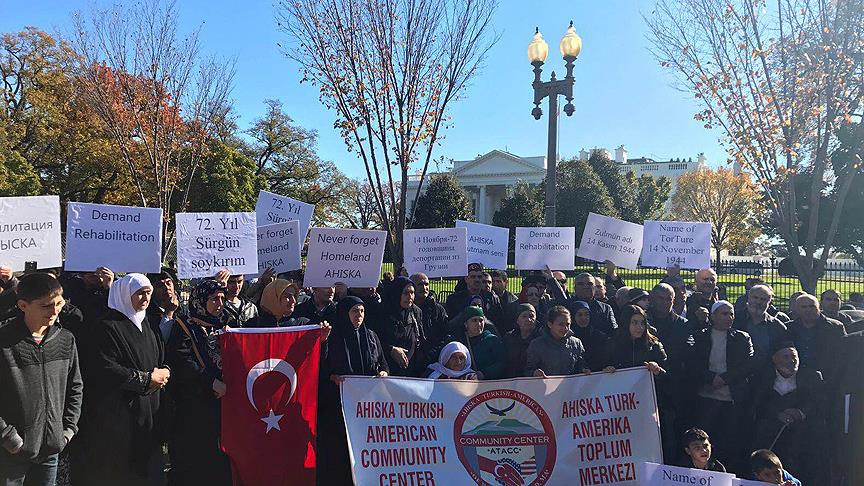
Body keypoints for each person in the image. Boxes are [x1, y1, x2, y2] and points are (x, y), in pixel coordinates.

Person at [73, 274, 170, 486]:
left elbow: (162, 356)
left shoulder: (149, 324)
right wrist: (145, 380)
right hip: (119, 414)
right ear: (125, 295)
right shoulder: (106, 326)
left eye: (148, 293)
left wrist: (165, 371)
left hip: (150, 410)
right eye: (139, 293)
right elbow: (104, 367)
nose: (145, 298)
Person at [0, 273, 83, 486]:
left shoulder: (65, 339)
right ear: (23, 305)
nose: (54, 311)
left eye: (58, 304)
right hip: (9, 454)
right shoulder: (5, 341)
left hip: (50, 451)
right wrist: (10, 439)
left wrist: (67, 431)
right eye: (45, 306)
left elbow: (75, 387)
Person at [165, 280, 232, 486]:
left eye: (222, 298)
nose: (219, 303)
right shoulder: (185, 326)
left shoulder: (227, 323)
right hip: (195, 405)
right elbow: (183, 361)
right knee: (196, 460)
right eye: (213, 299)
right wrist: (210, 382)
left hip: (224, 405)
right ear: (201, 300)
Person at [324, 296, 388, 485]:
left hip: (366, 406)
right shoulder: (334, 337)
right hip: (340, 405)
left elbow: (382, 362)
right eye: (354, 311)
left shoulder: (371, 336)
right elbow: (324, 366)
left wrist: (383, 372)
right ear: (345, 313)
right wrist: (333, 377)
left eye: (361, 311)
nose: (359, 315)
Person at [688, 300, 754, 473]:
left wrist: (724, 379)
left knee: (730, 442)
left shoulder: (742, 337)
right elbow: (692, 364)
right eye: (724, 314)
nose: (729, 318)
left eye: (731, 314)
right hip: (707, 397)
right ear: (713, 316)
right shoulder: (699, 336)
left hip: (732, 398)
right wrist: (710, 379)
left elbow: (747, 366)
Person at [751, 343, 825, 485]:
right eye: (786, 357)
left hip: (802, 433)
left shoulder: (812, 376)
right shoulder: (763, 377)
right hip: (772, 431)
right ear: (775, 359)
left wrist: (800, 412)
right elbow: (757, 403)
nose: (791, 361)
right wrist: (777, 414)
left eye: (794, 356)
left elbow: (819, 402)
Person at [786, 294, 847, 383]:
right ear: (797, 309)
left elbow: (844, 354)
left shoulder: (835, 328)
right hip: (796, 378)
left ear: (819, 307)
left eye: (812, 306)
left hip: (826, 378)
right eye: (804, 307)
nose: (808, 310)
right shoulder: (789, 328)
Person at [733, 285, 789, 371]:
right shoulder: (734, 319)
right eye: (755, 298)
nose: (758, 302)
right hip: (736, 371)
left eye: (763, 299)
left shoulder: (777, 327)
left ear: (769, 303)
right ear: (748, 298)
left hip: (764, 374)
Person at [378, 277, 426, 376]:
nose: (410, 297)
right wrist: (390, 349)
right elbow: (374, 341)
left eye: (412, 293)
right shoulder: (381, 312)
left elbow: (420, 337)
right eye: (405, 293)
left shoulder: (416, 312)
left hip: (411, 371)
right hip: (387, 371)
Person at [546, 270, 617, 338]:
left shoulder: (606, 308)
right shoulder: (566, 306)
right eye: (581, 284)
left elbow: (614, 332)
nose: (585, 287)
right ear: (575, 288)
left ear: (595, 287)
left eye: (589, 284)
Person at [525, 306, 589, 377]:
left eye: (568, 324)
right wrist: (534, 373)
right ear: (550, 324)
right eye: (561, 324)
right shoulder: (536, 345)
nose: (565, 328)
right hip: (545, 386)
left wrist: (584, 370)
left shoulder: (576, 343)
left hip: (570, 386)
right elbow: (527, 370)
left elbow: (581, 365)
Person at [603, 305, 666, 376]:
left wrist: (657, 370)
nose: (640, 327)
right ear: (626, 323)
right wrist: (607, 370)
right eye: (634, 322)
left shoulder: (654, 345)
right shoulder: (612, 345)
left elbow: (667, 374)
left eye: (642, 323)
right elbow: (599, 370)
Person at [449, 306, 505, 380]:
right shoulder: (458, 340)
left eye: (481, 320)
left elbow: (501, 362)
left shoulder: (492, 340)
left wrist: (483, 374)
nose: (478, 324)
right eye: (474, 320)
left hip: (487, 385)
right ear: (466, 324)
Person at [410, 273, 449, 361]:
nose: (424, 288)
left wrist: (433, 353)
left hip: (432, 358)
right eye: (420, 284)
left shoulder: (438, 309)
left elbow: (445, 334)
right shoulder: (405, 308)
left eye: (426, 284)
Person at [569, 300, 610, 372]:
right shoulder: (568, 337)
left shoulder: (599, 336)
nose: (583, 318)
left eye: (586, 314)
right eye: (580, 315)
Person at [146, 270, 184, 344]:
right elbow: (159, 342)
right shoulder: (146, 314)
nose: (166, 288)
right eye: (160, 285)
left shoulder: (183, 309)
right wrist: (169, 313)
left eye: (169, 283)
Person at [503, 303, 541, 378]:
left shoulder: (541, 339)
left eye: (531, 316)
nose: (528, 319)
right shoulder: (509, 338)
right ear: (517, 320)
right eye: (524, 316)